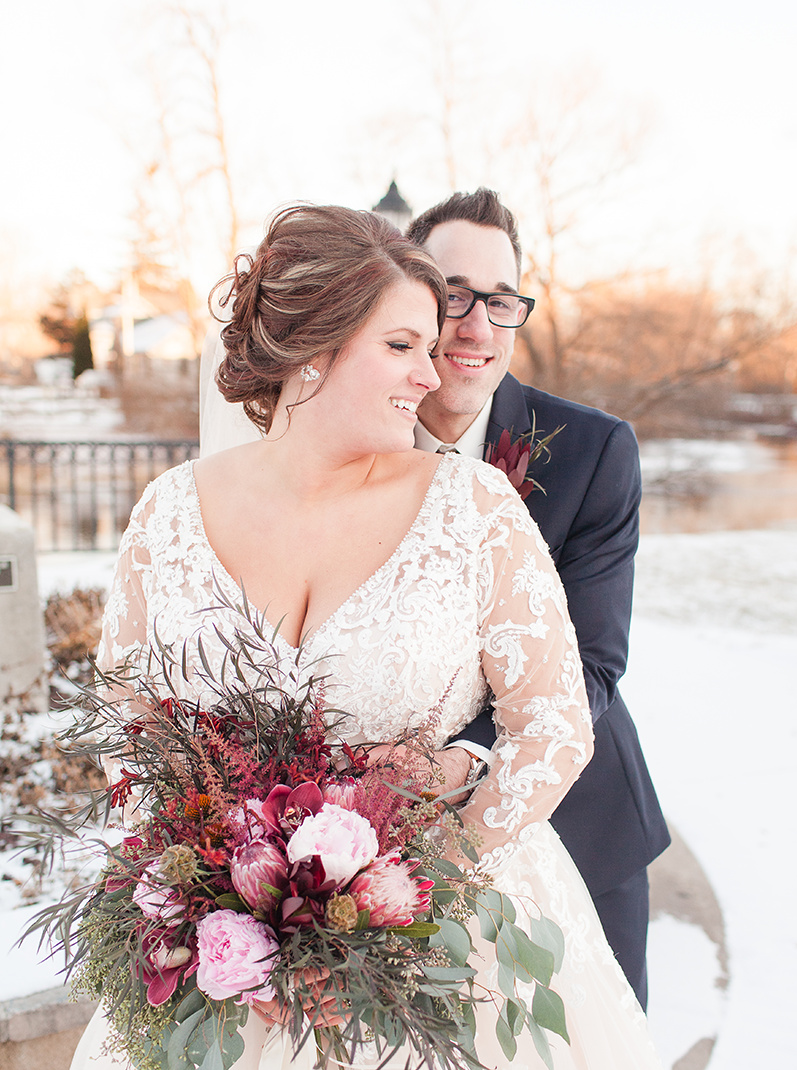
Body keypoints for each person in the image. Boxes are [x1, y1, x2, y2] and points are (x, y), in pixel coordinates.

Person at [38, 206, 727, 1070]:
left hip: (437, 946)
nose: (431, 369)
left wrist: (409, 878)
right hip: (223, 958)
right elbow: (126, 722)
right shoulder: (168, 513)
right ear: (311, 349)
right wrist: (196, 887)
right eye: (402, 344)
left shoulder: (473, 509)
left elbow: (554, 722)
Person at [198, 190, 669, 1010]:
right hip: (361, 855)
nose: (477, 326)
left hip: (579, 827)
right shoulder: (340, 439)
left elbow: (593, 664)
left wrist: (462, 759)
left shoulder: (594, 450)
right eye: (453, 295)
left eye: (503, 301)